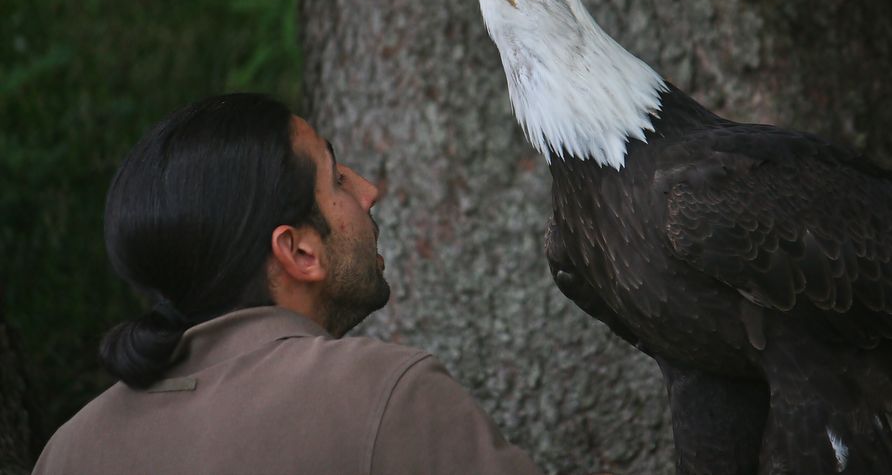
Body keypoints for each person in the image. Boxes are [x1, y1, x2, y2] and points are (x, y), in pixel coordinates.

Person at [32, 93, 545, 475]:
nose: (369, 191)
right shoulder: (387, 396)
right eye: (337, 179)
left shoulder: (69, 452)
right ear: (299, 251)